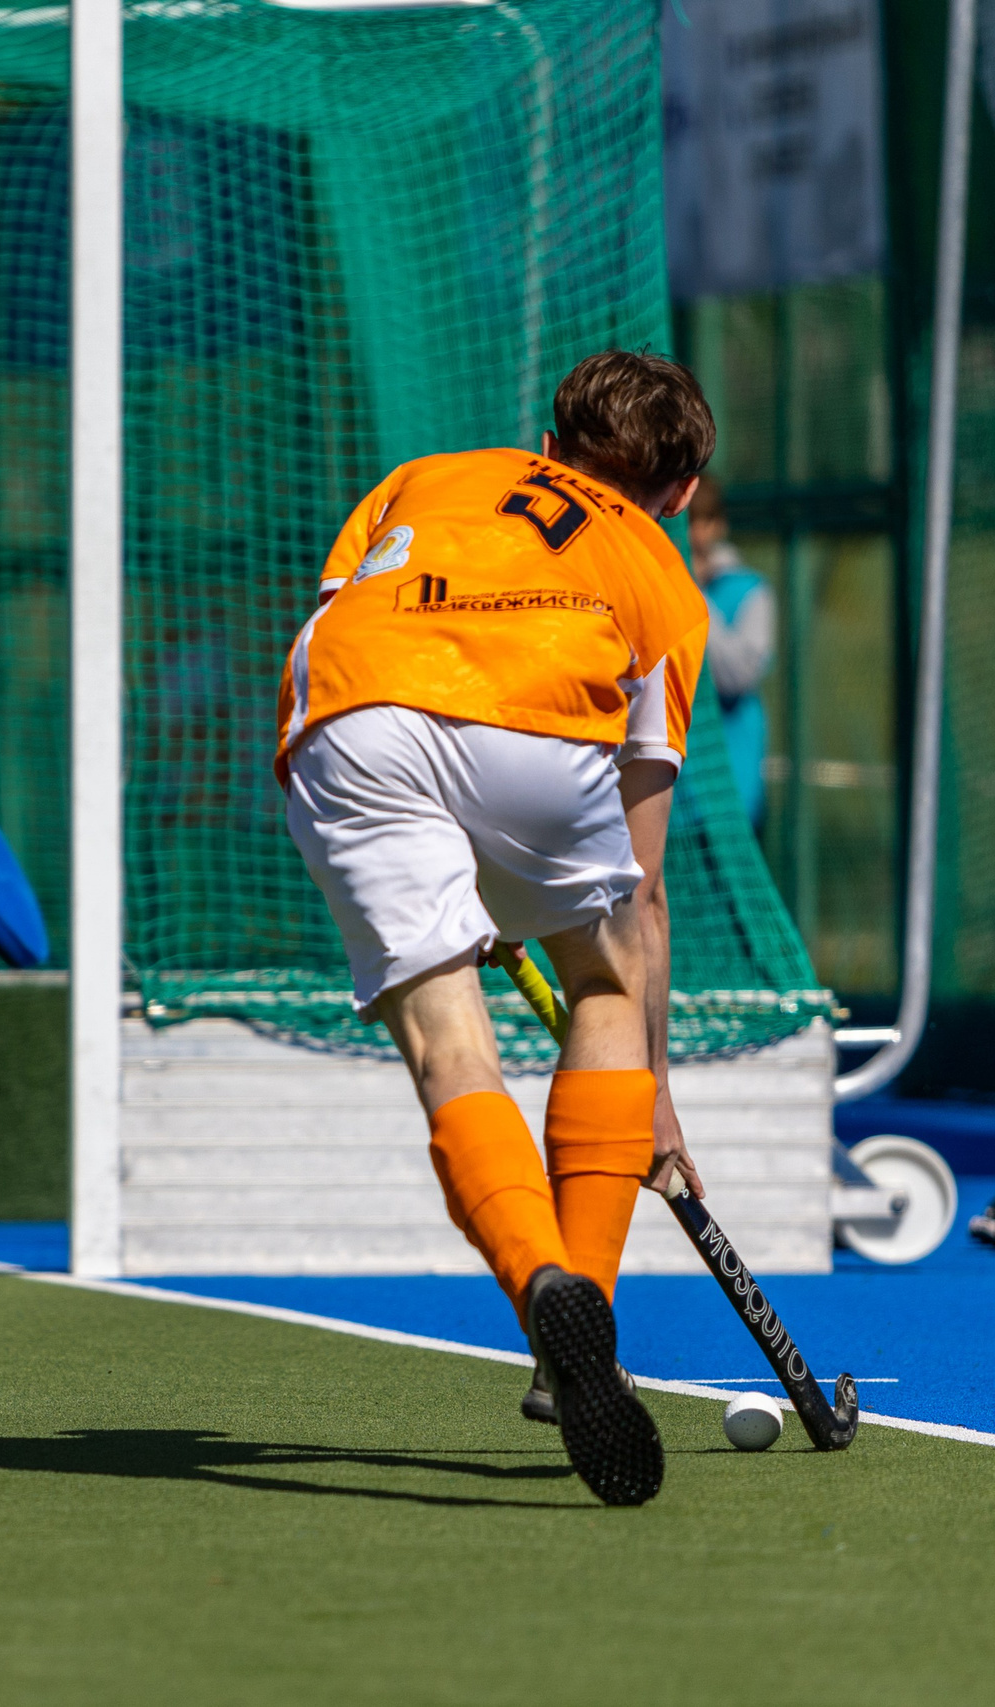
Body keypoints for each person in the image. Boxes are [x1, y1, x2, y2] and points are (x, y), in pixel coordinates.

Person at [273, 349, 716, 1508]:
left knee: (448, 1044)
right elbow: (642, 885)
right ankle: (587, 1327)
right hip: (536, 735)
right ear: (676, 491)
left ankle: (538, 1285)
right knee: (606, 984)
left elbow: (352, 615)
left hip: (357, 711)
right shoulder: (664, 580)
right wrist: (654, 1089)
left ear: (550, 430)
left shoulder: (426, 476)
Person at [684, 476, 774, 830]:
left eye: (702, 521)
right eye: (688, 522)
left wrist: (689, 592)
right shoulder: (651, 584)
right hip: (666, 802)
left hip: (730, 803)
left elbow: (736, 676)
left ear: (719, 525)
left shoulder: (750, 591)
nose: (694, 533)